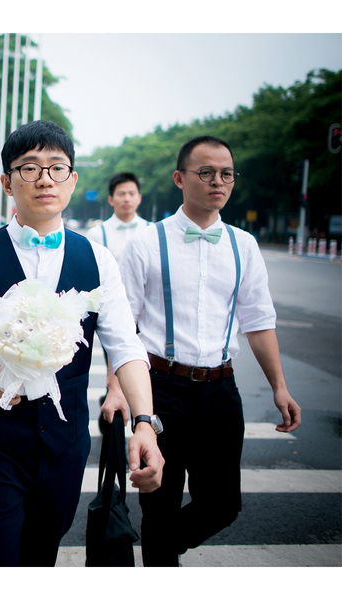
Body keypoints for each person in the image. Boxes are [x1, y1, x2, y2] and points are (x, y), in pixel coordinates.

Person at [0, 120, 163, 567]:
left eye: (56, 167)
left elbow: (126, 347)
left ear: (72, 180)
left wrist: (144, 422)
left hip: (65, 446)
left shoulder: (98, 259)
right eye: (29, 168)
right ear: (8, 182)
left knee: (39, 560)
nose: (45, 179)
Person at [109, 135, 302, 566]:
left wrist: (279, 386)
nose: (218, 181)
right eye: (206, 172)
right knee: (159, 504)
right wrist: (117, 389)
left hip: (220, 391)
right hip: (161, 389)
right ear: (180, 178)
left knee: (222, 505)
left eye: (226, 174)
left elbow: (258, 320)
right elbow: (123, 327)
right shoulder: (146, 242)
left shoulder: (243, 245)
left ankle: (160, 547)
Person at [85, 172, 149, 431]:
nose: (127, 199)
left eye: (131, 193)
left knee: (139, 362)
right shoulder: (97, 233)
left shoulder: (151, 232)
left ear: (139, 198)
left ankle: (135, 407)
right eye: (121, 194)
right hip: (110, 311)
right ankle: (113, 400)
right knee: (115, 358)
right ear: (111, 199)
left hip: (144, 312)